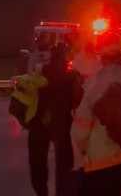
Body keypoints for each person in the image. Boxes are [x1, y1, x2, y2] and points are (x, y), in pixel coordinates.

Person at [71, 29, 121, 195]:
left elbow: (80, 131)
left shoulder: (94, 85)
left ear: (102, 57)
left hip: (104, 163)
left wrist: (82, 155)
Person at [28, 42, 82, 196]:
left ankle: (41, 192)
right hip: (62, 124)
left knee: (37, 165)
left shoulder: (39, 72)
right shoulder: (71, 76)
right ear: (64, 58)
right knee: (64, 166)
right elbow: (77, 100)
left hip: (38, 123)